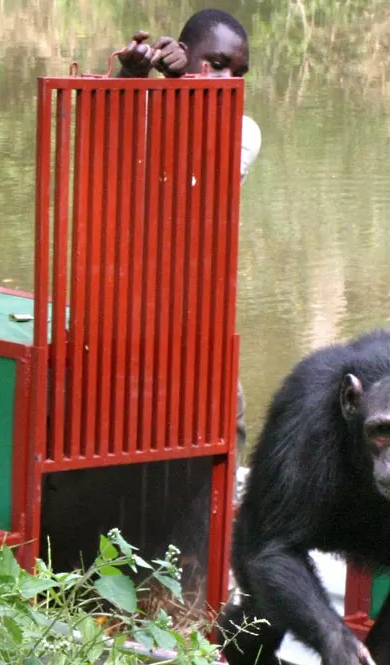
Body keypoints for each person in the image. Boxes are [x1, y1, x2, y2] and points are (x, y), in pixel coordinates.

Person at [111, 9, 262, 456]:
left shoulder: (243, 132)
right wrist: (130, 74)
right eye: (215, 65)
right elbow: (101, 138)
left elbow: (193, 187)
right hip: (126, 332)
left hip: (202, 330)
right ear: (177, 54)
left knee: (221, 444)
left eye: (238, 72)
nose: (229, 80)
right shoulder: (141, 108)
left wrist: (182, 89)